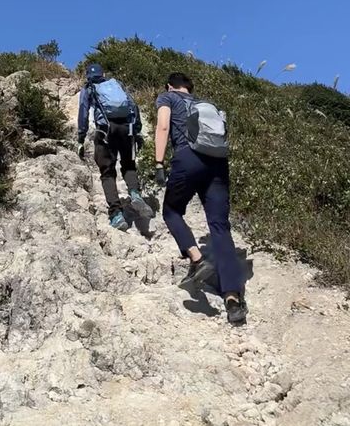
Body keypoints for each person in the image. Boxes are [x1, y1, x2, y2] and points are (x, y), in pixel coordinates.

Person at [154, 71, 247, 325]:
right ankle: (232, 299)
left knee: (172, 211)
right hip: (217, 162)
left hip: (187, 158)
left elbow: (163, 126)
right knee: (219, 226)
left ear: (170, 85)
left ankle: (197, 258)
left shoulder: (167, 97)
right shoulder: (206, 104)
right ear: (189, 87)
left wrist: (159, 162)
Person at [78, 63, 153, 230]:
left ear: (87, 76)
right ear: (103, 73)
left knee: (107, 172)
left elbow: (83, 112)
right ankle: (135, 193)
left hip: (105, 131)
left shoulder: (88, 88)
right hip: (127, 129)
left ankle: (116, 214)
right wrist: (137, 130)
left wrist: (80, 138)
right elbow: (133, 105)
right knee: (128, 164)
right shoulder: (115, 84)